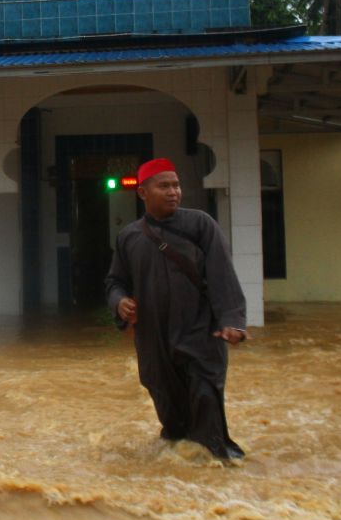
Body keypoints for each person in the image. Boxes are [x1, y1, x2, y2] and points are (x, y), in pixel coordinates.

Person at [105, 158, 250, 460]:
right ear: (143, 193)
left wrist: (231, 319)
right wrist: (120, 302)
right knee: (169, 409)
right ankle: (177, 464)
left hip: (200, 331)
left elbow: (222, 273)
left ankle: (215, 467)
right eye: (164, 186)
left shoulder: (200, 224)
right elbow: (115, 281)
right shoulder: (129, 236)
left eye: (176, 185)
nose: (173, 192)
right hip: (154, 337)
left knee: (206, 398)